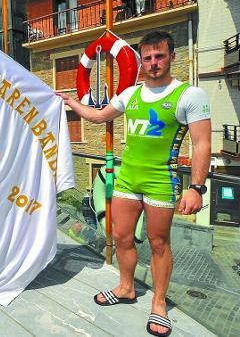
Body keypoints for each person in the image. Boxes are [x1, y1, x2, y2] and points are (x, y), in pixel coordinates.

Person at [57, 31, 211, 337]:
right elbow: (100, 117)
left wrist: (196, 188)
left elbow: (202, 143)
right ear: (142, 60)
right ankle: (126, 288)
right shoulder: (130, 94)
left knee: (158, 243)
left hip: (160, 181)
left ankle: (158, 303)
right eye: (148, 57)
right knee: (121, 236)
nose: (153, 63)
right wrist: (71, 102)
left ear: (172, 57)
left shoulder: (190, 95)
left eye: (159, 56)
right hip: (127, 178)